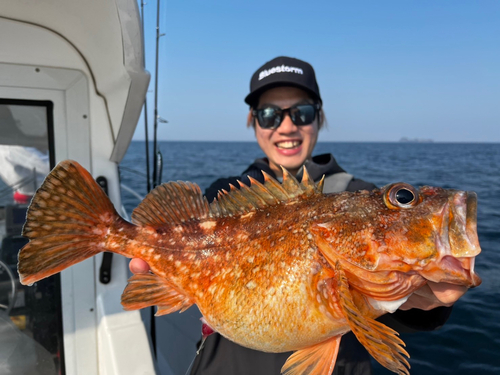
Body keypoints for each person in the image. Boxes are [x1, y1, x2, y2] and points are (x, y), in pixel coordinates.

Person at [129, 56, 467, 374]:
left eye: (302, 112)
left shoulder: (359, 193)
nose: (287, 126)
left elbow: (390, 308)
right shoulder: (222, 193)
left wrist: (430, 302)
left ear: (319, 117)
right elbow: (172, 265)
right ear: (253, 121)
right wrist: (158, 271)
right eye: (269, 115)